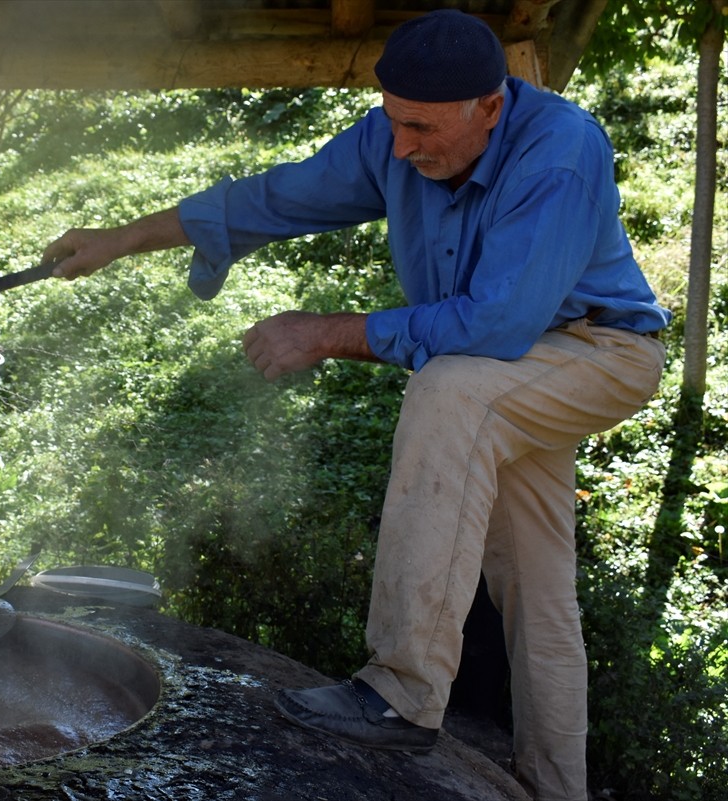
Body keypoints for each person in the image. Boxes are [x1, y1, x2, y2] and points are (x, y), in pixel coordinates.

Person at [41, 10, 669, 801]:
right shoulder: (394, 139)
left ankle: (402, 692)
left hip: (600, 352)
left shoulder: (561, 152)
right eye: (391, 121)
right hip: (507, 370)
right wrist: (123, 237)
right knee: (536, 587)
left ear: (492, 107)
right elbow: (276, 197)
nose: (401, 148)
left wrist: (326, 333)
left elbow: (495, 324)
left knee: (448, 390)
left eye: (420, 128)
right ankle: (557, 789)